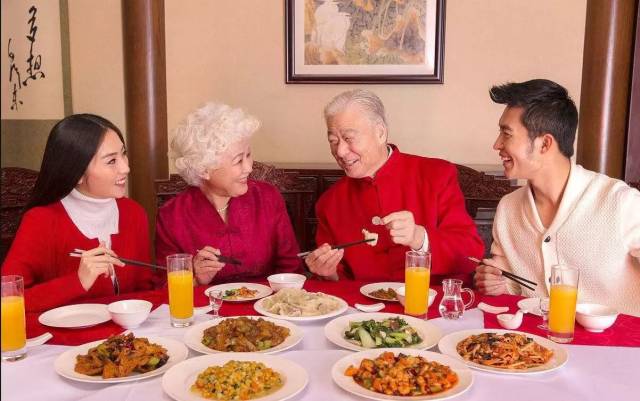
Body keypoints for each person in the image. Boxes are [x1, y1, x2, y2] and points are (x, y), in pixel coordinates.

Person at [473, 79, 640, 316]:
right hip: (538, 348)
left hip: (620, 347)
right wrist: (496, 282)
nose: (496, 144)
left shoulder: (619, 203)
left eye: (506, 133)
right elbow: (511, 284)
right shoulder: (508, 208)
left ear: (545, 144)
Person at [305, 89, 484, 283]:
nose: (340, 151)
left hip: (432, 305)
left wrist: (419, 237)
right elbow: (337, 281)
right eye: (333, 141)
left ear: (380, 133)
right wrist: (327, 272)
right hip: (362, 311)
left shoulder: (436, 175)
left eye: (349, 139)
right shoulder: (330, 202)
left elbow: (470, 256)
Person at [2, 114, 157, 313]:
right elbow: (7, 299)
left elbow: (145, 290)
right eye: (111, 161)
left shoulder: (134, 213)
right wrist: (78, 281)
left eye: (123, 154)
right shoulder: (41, 221)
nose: (126, 167)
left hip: (128, 339)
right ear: (77, 173)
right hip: (63, 342)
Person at [155, 102, 302, 285]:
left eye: (248, 155)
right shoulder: (172, 216)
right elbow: (162, 286)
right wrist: (196, 279)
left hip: (266, 307)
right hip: (207, 311)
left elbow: (291, 268)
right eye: (238, 160)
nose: (249, 168)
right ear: (204, 169)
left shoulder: (267, 198)